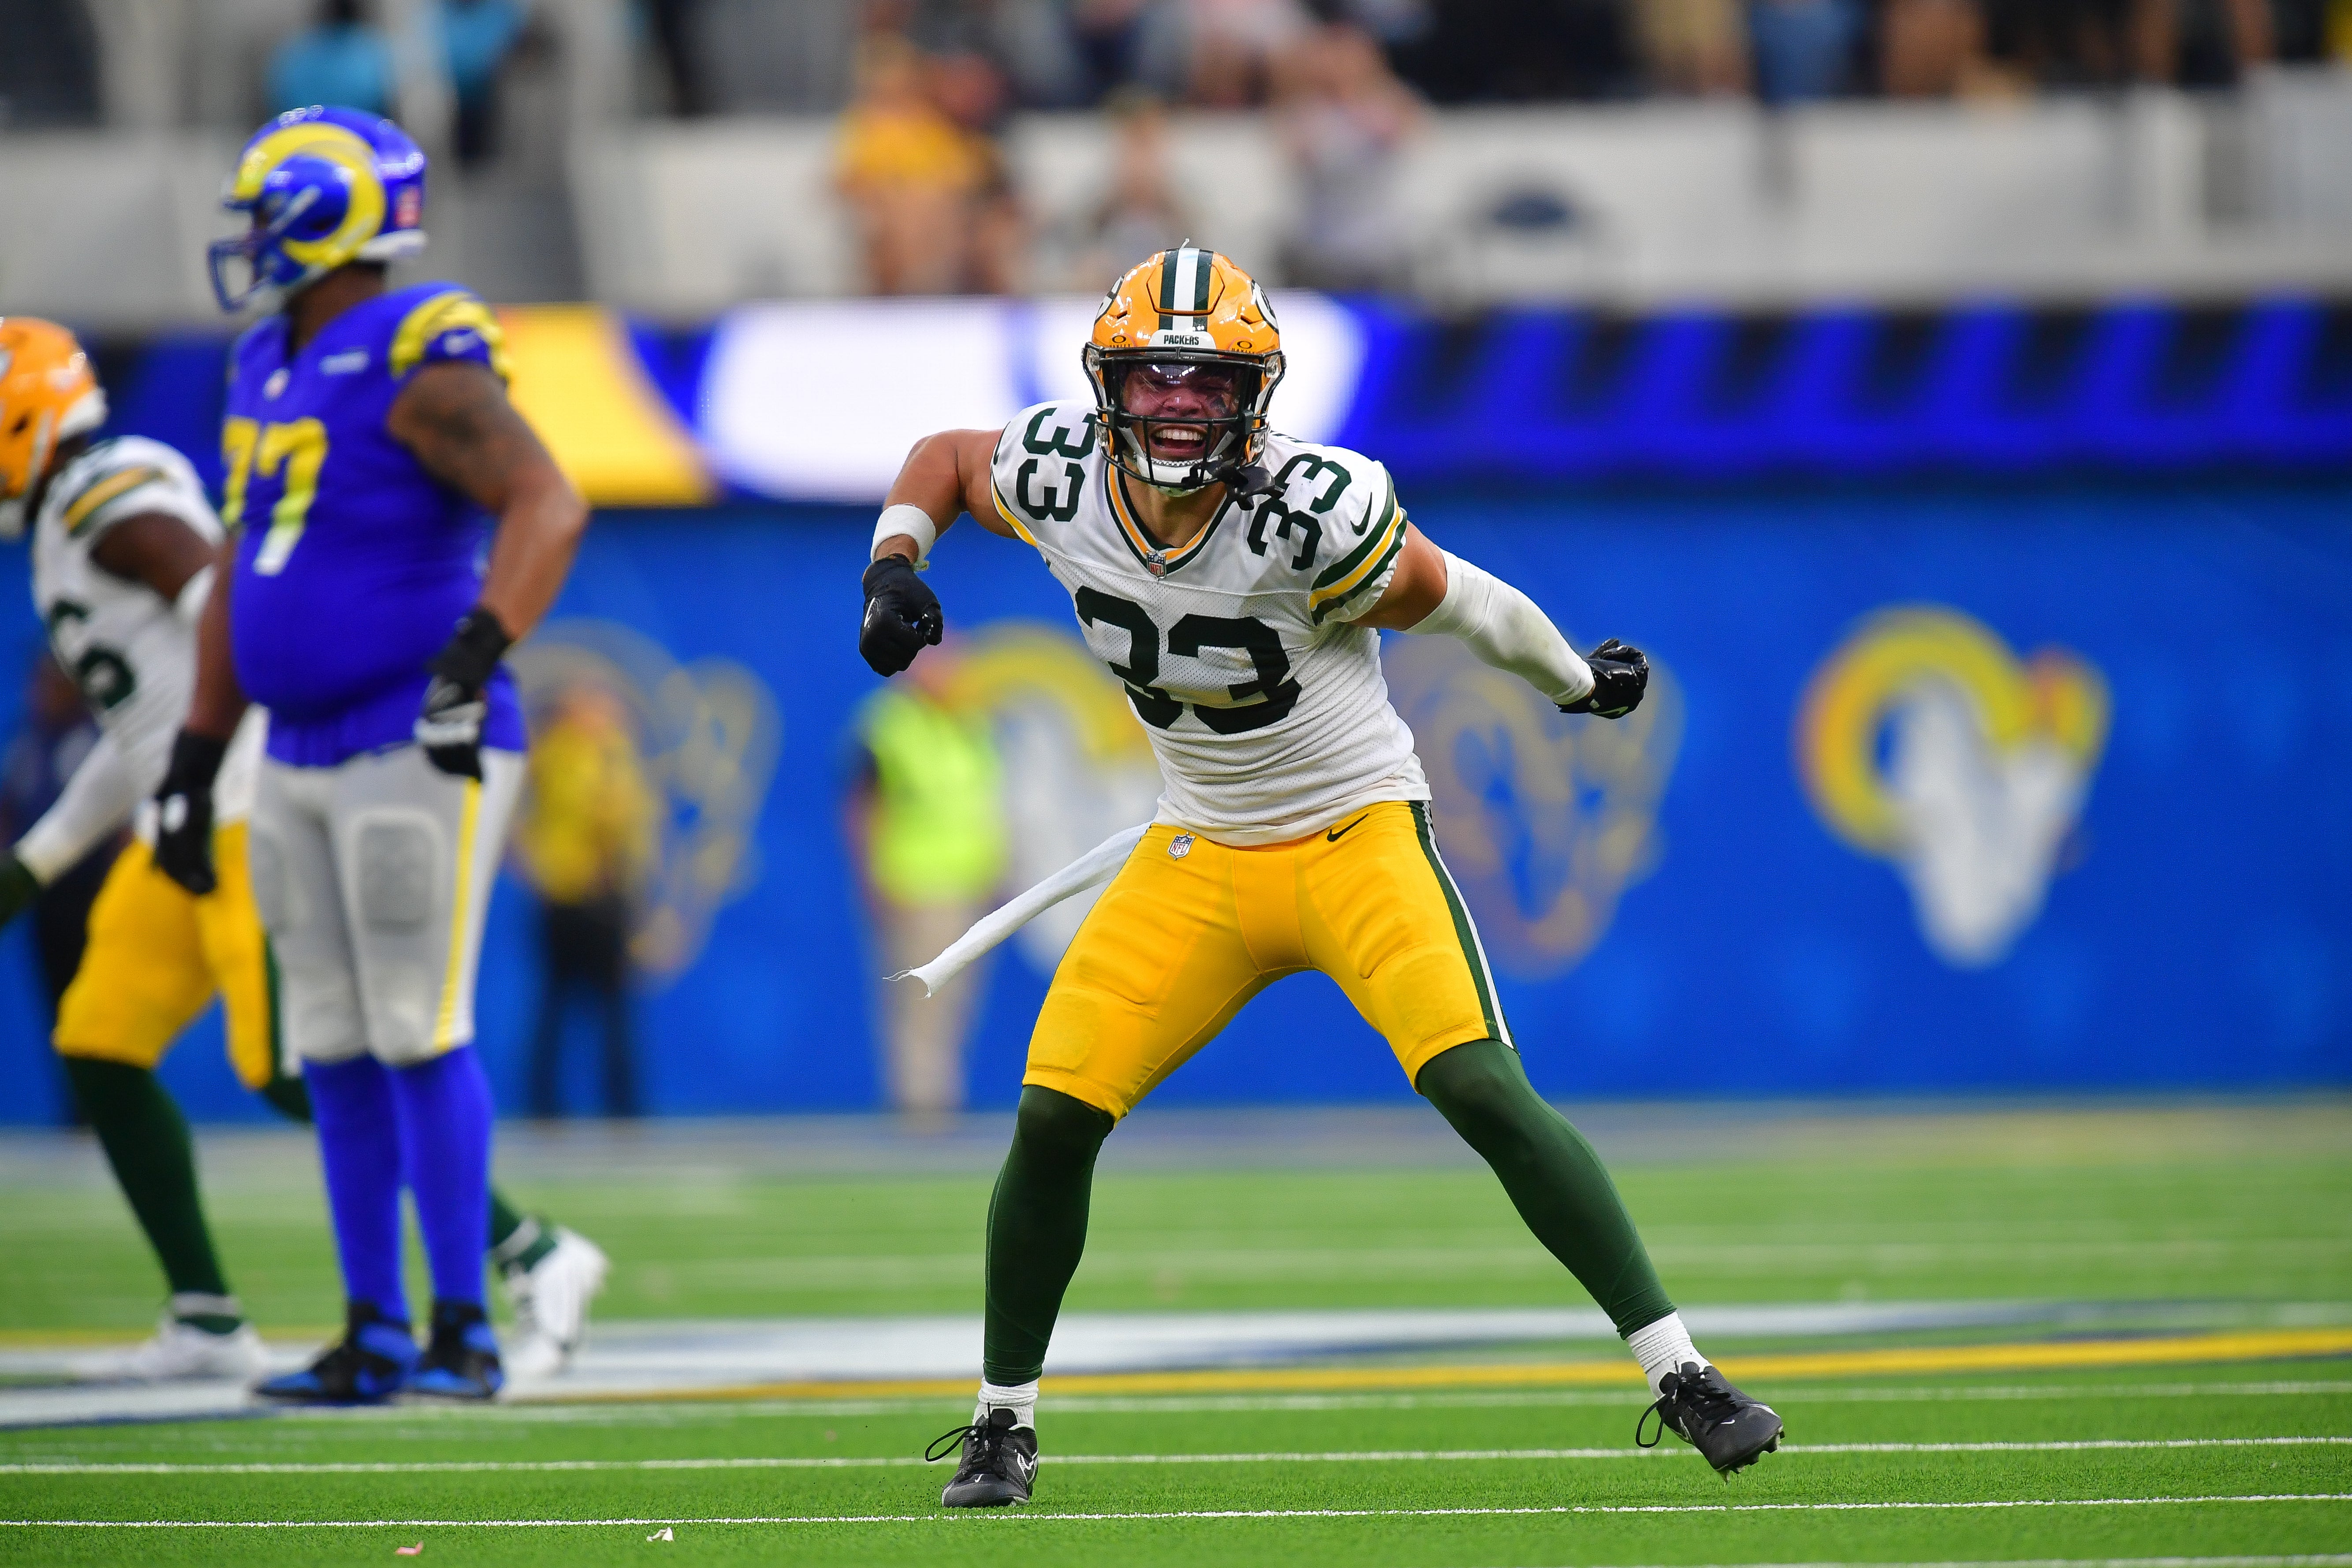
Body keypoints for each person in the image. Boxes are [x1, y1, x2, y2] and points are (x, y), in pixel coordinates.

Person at [857, 247, 1782, 1507]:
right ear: (1106, 387)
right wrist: (895, 562)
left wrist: (1572, 678)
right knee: (1050, 1115)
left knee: (1481, 1087)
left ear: (1253, 392)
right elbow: (947, 460)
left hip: (1352, 835)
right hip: (1195, 850)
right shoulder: (1060, 472)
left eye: (1205, 383)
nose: (1177, 406)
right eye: (1154, 380)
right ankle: (998, 1421)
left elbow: (1463, 602)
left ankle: (1680, 1371)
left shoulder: (1310, 510)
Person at [0, 317, 605, 1384]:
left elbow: (217, 616)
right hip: (179, 805)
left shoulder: (110, 499)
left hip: (233, 800)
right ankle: (205, 1316)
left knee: (304, 1058)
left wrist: (198, 772)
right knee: (98, 1039)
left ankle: (526, 1252)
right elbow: (140, 723)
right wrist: (42, 861)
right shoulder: (64, 521)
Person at [155, 104, 593, 1401]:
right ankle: (375, 1326)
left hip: (415, 727)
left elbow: (547, 501)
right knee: (331, 1039)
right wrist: (194, 753)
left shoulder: (418, 349)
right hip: (293, 738)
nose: (244, 237)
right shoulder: (261, 362)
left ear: (320, 211)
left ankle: (462, 1323)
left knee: (416, 1025)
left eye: (262, 209)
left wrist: (472, 657)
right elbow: (246, 564)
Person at [846, 641, 1009, 1122]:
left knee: (955, 1001)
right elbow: (864, 807)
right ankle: (922, 1107)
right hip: (916, 883)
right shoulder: (890, 724)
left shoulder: (969, 725)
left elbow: (985, 804)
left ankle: (939, 1098)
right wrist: (872, 876)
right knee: (921, 998)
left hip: (967, 884)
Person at [514, 681, 656, 1119]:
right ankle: (553, 1105)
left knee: (604, 1009)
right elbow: (611, 817)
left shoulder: (605, 752)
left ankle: (615, 1105)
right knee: (564, 1005)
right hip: (573, 895)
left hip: (595, 893)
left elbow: (634, 825)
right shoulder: (568, 754)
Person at [0, 655, 121, 1029]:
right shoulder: (29, 742)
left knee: (99, 1018)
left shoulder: (97, 741)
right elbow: (8, 811)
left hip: (90, 893)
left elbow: (122, 825)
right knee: (62, 1018)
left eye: (53, 684)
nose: (41, 694)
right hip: (44, 896)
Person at [268, 0, 397, 119]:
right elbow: (386, 105)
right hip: (359, 135)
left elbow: (280, 104)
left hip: (303, 135)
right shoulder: (372, 51)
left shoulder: (296, 55)